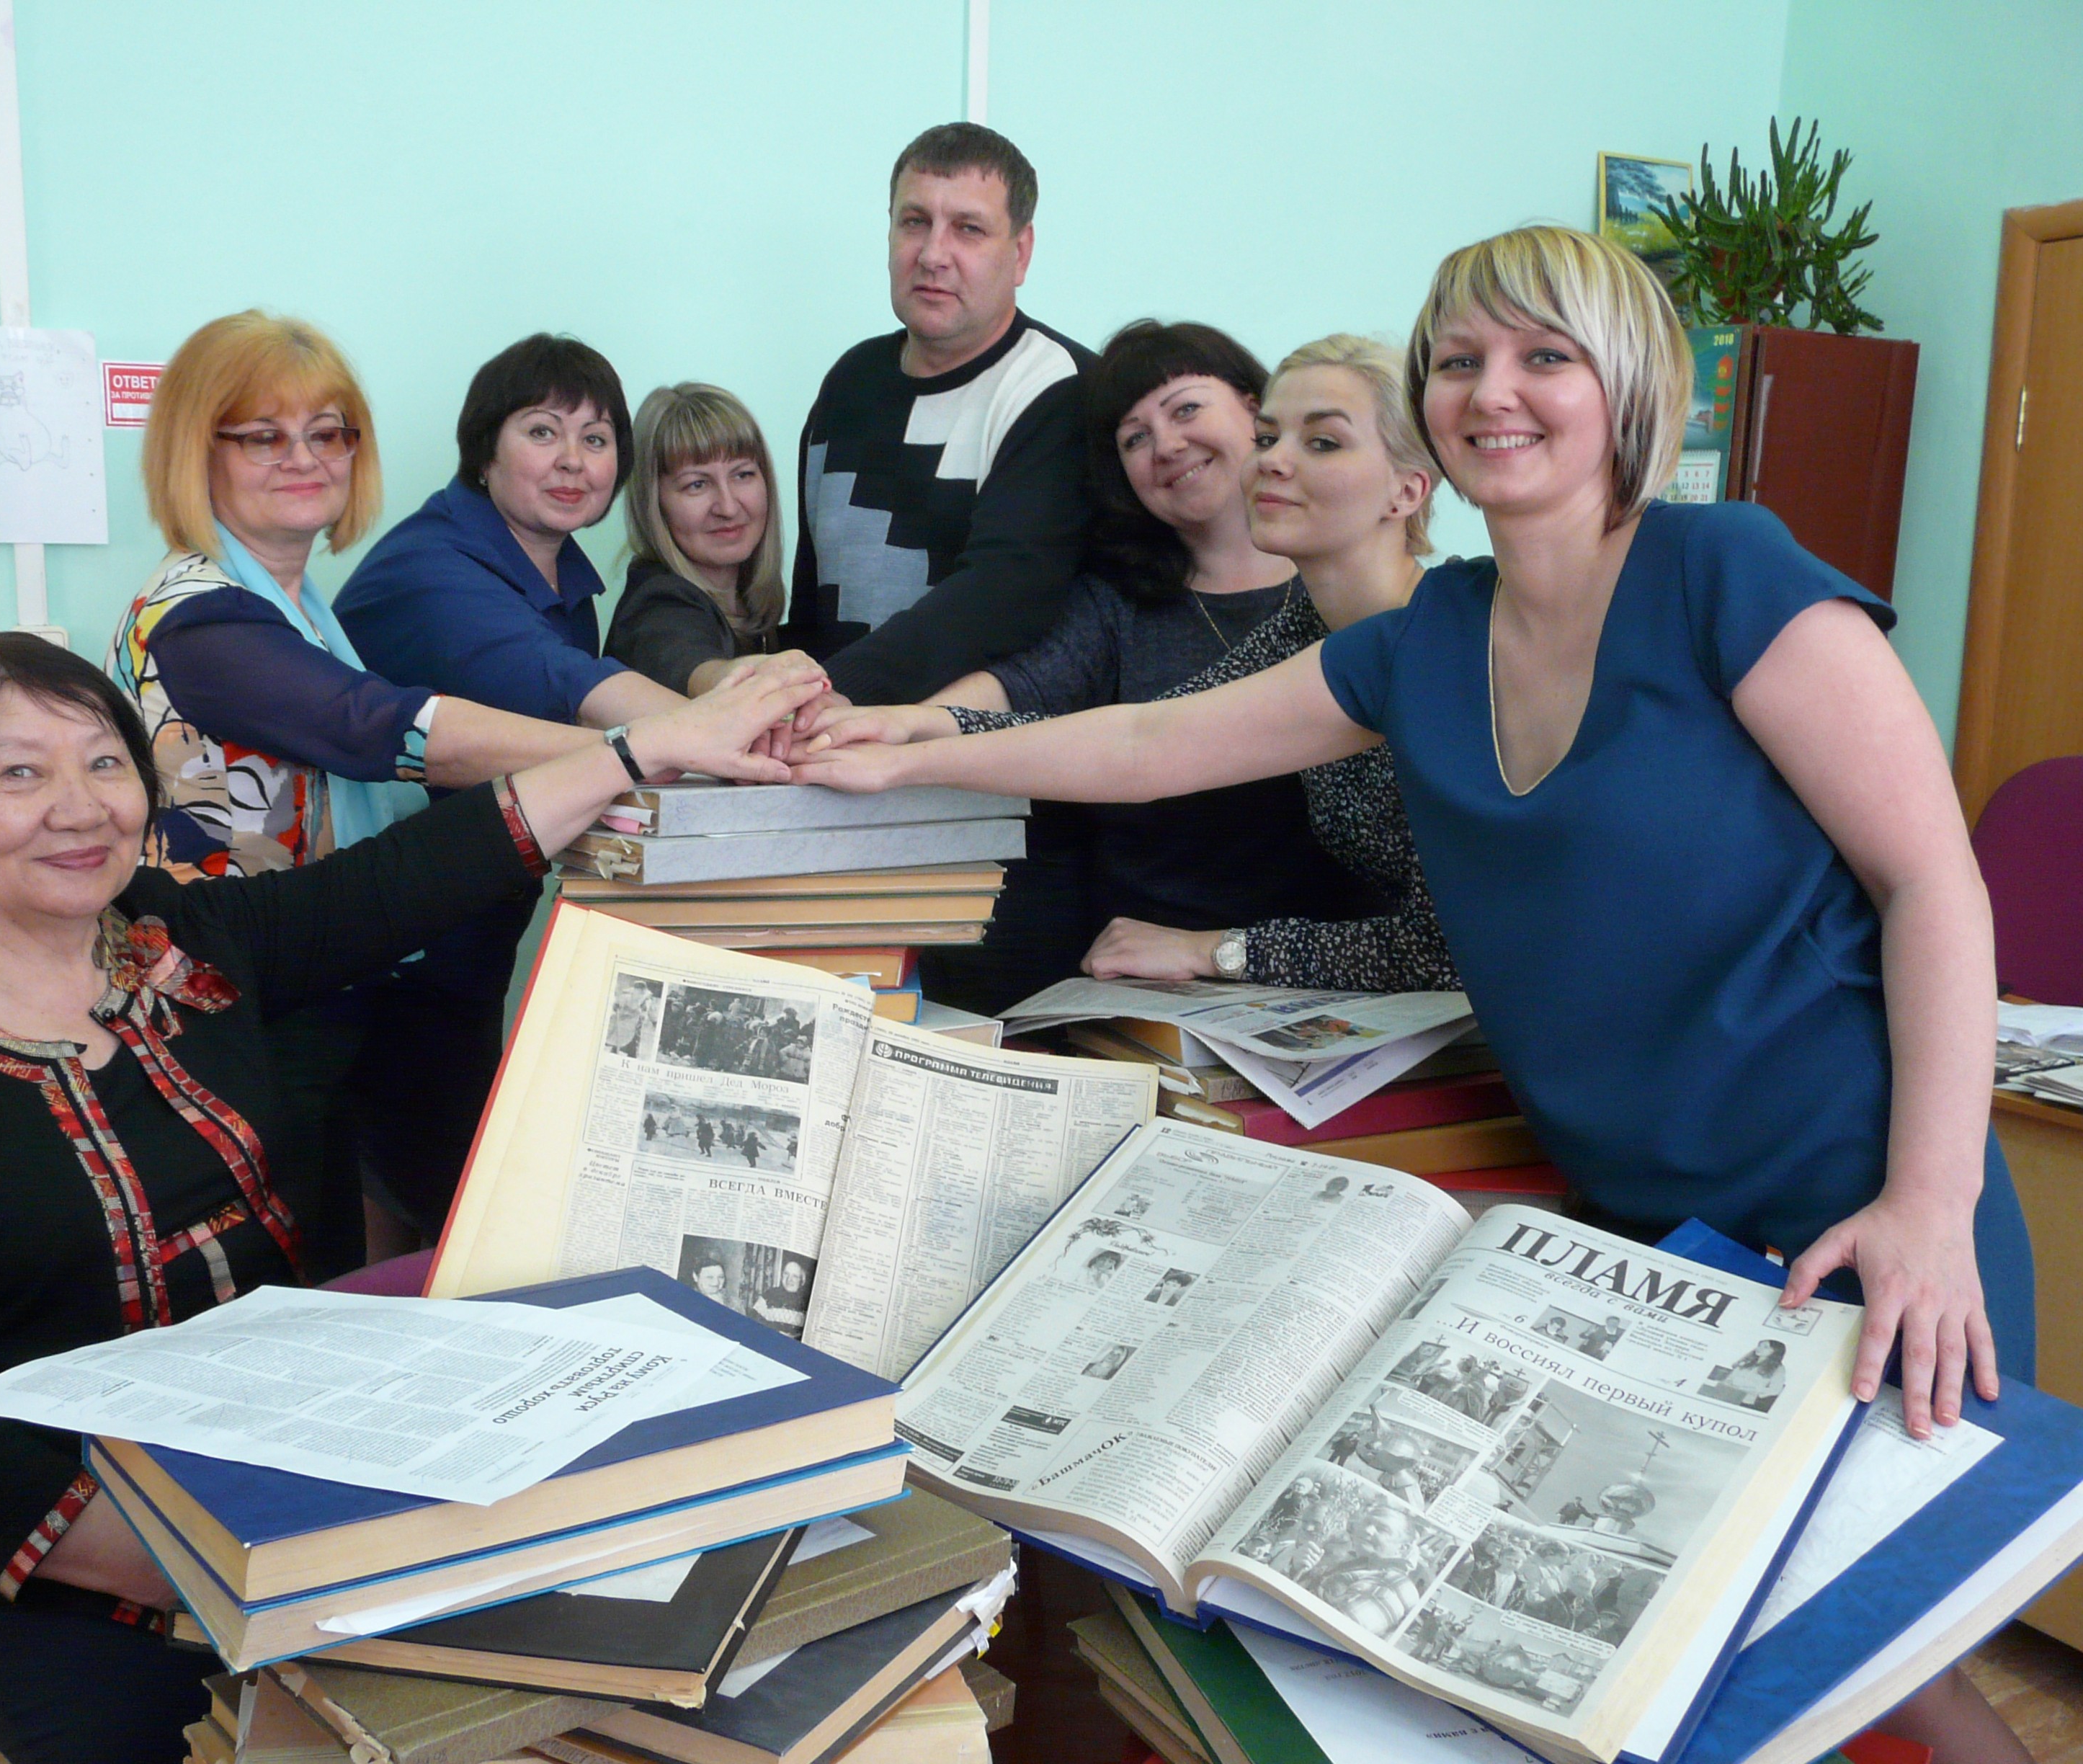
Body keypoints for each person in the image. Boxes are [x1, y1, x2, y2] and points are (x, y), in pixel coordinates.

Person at [796, 223, 2030, 1760]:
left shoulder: (1725, 570)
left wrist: (1928, 1201)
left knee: (1877, 1653)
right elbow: (1149, 743)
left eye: (1541, 357)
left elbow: (1931, 881)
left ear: (1625, 384)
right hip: (1641, 1226)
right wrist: (910, 751)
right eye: (1457, 361)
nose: (1490, 390)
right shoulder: (1426, 639)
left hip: (1855, 1187)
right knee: (1660, 1661)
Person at [0, 632, 825, 1764]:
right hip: (36, 1535)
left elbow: (410, 874)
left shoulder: (173, 936)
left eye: (104, 763)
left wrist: (644, 749)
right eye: (19, 773)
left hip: (282, 1448)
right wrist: (231, 1573)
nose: (80, 807)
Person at [107, 311, 617, 1277]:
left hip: (312, 1008)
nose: (303, 458)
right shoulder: (198, 620)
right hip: (229, 1029)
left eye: (326, 433)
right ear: (196, 451)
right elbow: (381, 726)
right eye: (263, 436)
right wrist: (632, 752)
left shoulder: (299, 608)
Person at [832, 330, 1460, 998]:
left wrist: (1212, 950)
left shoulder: (1450, 641)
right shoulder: (1309, 626)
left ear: (1407, 491)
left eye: (1324, 442)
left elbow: (1450, 949)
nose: (1275, 461)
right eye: (1269, 438)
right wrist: (914, 729)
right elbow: (1146, 737)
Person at [329, 334, 691, 1240]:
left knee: (450, 1199)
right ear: (483, 451)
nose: (573, 461)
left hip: (467, 937)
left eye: (596, 439)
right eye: (542, 432)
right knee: (397, 1216)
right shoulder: (429, 568)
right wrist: (723, 733)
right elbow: (569, 691)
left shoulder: (565, 576)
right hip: (379, 962)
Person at [790, 122, 1096, 705]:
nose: (933, 255)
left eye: (968, 229)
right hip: (829, 741)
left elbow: (1000, 598)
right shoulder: (849, 382)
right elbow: (813, 597)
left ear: (1021, 253)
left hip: (984, 756)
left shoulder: (1062, 390)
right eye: (914, 222)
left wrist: (827, 695)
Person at [605, 383, 788, 694]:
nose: (728, 507)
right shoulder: (659, 605)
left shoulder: (743, 600)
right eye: (697, 484)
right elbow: (693, 668)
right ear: (654, 502)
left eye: (743, 474)